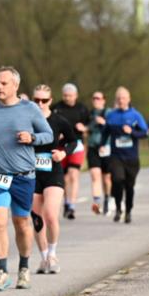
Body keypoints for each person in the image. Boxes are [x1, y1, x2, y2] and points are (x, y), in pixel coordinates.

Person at [0, 66, 53, 291]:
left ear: (15, 86)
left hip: (23, 176)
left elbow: (48, 135)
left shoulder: (29, 109)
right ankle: (1, 272)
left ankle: (24, 268)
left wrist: (32, 138)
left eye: (4, 83)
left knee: (21, 223)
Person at [30, 85, 77, 274]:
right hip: (31, 173)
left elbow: (73, 140)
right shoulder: (26, 120)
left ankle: (53, 254)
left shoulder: (58, 120)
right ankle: (43, 258)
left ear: (50, 101)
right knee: (36, 218)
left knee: (50, 214)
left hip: (53, 171)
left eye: (44, 100)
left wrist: (63, 153)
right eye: (37, 100)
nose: (40, 104)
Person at [102, 87, 149, 223]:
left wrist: (132, 132)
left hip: (132, 158)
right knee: (117, 180)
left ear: (128, 99)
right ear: (116, 100)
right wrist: (102, 144)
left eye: (123, 98)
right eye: (118, 98)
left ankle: (128, 210)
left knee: (129, 186)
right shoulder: (111, 116)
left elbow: (145, 133)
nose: (121, 100)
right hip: (116, 156)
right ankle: (118, 208)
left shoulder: (135, 115)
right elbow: (105, 132)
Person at [51, 83, 90, 220]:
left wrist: (85, 128)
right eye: (66, 96)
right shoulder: (56, 108)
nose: (68, 98)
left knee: (74, 175)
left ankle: (72, 205)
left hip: (76, 145)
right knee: (65, 178)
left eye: (71, 96)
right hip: (60, 147)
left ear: (76, 95)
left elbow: (90, 124)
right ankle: (66, 203)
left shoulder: (82, 109)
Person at [86, 91, 113, 215]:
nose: (96, 100)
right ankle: (97, 203)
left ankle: (107, 198)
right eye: (94, 98)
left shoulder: (109, 113)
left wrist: (104, 122)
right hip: (92, 147)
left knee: (106, 178)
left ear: (104, 100)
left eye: (98, 98)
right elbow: (86, 130)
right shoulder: (89, 114)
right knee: (95, 175)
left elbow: (114, 127)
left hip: (106, 148)